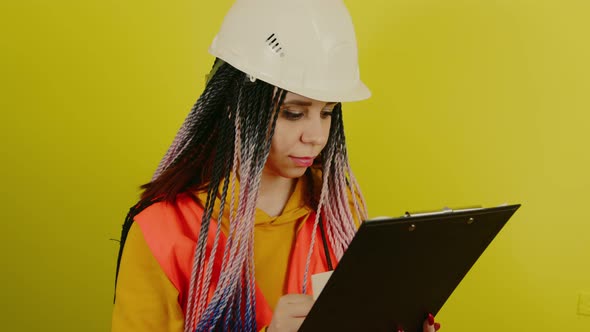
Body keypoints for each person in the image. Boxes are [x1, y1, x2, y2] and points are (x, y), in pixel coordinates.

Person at [112, 0, 442, 331]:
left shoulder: (339, 214)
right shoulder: (163, 231)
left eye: (327, 113)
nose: (315, 136)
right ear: (236, 109)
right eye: (293, 113)